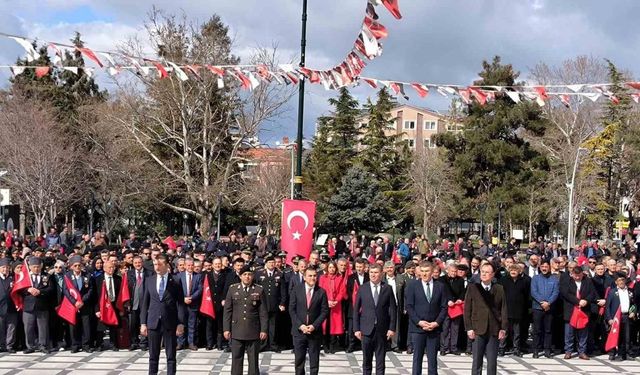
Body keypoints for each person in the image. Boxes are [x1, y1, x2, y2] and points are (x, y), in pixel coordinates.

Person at [140, 254, 184, 375]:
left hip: (170, 322)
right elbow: (145, 303)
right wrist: (143, 323)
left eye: (159, 264)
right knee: (153, 356)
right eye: (155, 264)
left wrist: (180, 322)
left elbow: (180, 303)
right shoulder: (149, 280)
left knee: (171, 356)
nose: (157, 267)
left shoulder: (175, 280)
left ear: (166, 265)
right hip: (153, 322)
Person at [463, 263, 508, 375]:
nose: (484, 274)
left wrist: (503, 328)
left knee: (492, 362)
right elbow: (467, 309)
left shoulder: (499, 289)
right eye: (482, 271)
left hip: (494, 329)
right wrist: (469, 328)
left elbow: (503, 309)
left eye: (487, 272)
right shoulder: (473, 288)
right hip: (477, 329)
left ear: (493, 275)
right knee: (477, 361)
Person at [223, 265, 268, 375]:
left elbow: (263, 312)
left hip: (253, 329)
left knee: (253, 360)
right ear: (240, 276)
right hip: (237, 329)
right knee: (237, 359)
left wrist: (264, 329)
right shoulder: (233, 289)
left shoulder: (259, 289)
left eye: (249, 274)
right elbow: (228, 311)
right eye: (245, 275)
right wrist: (226, 329)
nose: (247, 277)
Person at [405, 261, 447, 375]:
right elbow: (409, 306)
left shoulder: (440, 286)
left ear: (432, 271)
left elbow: (444, 307)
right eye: (422, 271)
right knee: (417, 359)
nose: (424, 274)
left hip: (434, 329)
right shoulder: (412, 286)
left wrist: (437, 323)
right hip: (418, 328)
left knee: (432, 361)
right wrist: (419, 322)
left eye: (427, 271)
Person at [354, 263, 397, 375]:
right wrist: (356, 329)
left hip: (382, 330)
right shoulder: (363, 288)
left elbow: (393, 309)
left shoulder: (387, 288)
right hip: (366, 330)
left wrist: (392, 328)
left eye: (376, 272)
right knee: (366, 361)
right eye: (371, 272)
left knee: (380, 362)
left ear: (381, 274)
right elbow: (356, 310)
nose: (373, 275)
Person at [289, 267, 329, 375]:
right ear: (304, 277)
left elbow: (324, 311)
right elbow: (292, 310)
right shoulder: (296, 290)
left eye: (314, 276)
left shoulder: (321, 292)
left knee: (314, 361)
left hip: (314, 332)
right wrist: (300, 325)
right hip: (299, 331)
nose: (312, 278)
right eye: (310, 276)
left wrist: (314, 326)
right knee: (299, 361)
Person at [559, 266, 596, 360]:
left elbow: (592, 293)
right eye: (576, 276)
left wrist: (586, 301)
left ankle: (582, 351)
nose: (577, 278)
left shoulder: (587, 281)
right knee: (569, 333)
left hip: (584, 310)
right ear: (572, 274)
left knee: (583, 333)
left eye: (579, 275)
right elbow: (565, 293)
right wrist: (577, 301)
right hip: (571, 310)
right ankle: (568, 351)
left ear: (582, 274)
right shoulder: (567, 281)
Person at [254, 254, 286, 352]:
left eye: (273, 262)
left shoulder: (279, 274)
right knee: (263, 325)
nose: (272, 264)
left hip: (274, 304)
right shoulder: (259, 274)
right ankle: (263, 344)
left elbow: (283, 291)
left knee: (273, 326)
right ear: (266, 264)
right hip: (262, 304)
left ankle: (272, 344)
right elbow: (256, 288)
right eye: (270, 263)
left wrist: (282, 303)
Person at [22, 256, 54, 354]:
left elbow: (50, 289)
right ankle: (30, 346)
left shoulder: (47, 276)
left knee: (43, 327)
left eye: (38, 267)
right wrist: (28, 290)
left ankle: (43, 345)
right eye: (34, 267)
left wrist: (40, 291)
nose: (36, 269)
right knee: (28, 327)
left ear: (41, 266)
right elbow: (19, 289)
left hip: (42, 305)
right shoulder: (26, 277)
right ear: (30, 267)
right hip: (28, 306)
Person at [64, 255, 94, 353]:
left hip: (84, 305)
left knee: (86, 326)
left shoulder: (87, 275)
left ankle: (86, 345)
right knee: (73, 326)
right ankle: (75, 345)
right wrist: (74, 302)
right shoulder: (67, 276)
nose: (77, 267)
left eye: (79, 265)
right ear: (71, 266)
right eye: (75, 265)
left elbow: (90, 290)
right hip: (73, 306)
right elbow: (66, 290)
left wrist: (82, 301)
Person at [530, 259, 559, 358]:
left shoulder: (554, 279)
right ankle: (536, 350)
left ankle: (547, 350)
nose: (544, 268)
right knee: (537, 330)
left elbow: (555, 292)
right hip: (537, 308)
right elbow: (534, 292)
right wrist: (542, 303)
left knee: (548, 330)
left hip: (550, 308)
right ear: (540, 267)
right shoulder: (535, 278)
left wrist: (548, 303)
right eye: (542, 266)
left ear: (549, 267)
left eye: (546, 266)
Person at [605, 272, 635, 361]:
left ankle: (626, 353)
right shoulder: (612, 292)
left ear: (625, 280)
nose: (621, 282)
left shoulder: (630, 291)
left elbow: (634, 304)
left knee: (627, 336)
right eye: (619, 280)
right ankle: (612, 353)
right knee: (615, 335)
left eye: (623, 280)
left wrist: (634, 311)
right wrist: (609, 318)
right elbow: (607, 307)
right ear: (616, 282)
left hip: (627, 316)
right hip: (615, 318)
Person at [177, 258, 202, 350]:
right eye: (188, 265)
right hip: (182, 304)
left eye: (192, 265)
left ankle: (191, 343)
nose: (190, 267)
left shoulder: (198, 276)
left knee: (192, 324)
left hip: (193, 303)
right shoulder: (179, 276)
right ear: (185, 266)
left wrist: (191, 298)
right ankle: (180, 343)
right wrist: (183, 298)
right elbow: (177, 289)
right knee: (181, 323)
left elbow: (199, 289)